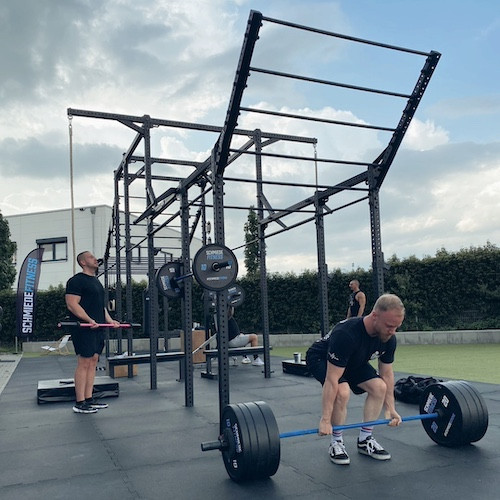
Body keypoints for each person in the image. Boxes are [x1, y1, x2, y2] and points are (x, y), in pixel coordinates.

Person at [306, 293, 405, 465]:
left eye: (396, 327)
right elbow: (332, 380)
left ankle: (365, 440)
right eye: (389, 326)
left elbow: (387, 374)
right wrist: (325, 419)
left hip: (353, 361)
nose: (392, 331)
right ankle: (336, 442)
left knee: (379, 387)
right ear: (374, 316)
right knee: (342, 391)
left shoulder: (389, 338)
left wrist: (391, 408)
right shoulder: (346, 334)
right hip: (321, 358)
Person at [65, 251, 120, 414]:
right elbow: (72, 304)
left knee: (94, 361)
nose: (95, 259)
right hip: (84, 328)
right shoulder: (76, 281)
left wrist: (109, 320)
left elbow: (100, 306)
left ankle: (89, 399)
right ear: (82, 262)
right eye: (90, 257)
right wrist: (88, 320)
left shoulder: (96, 282)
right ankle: (79, 402)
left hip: (98, 327)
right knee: (84, 362)